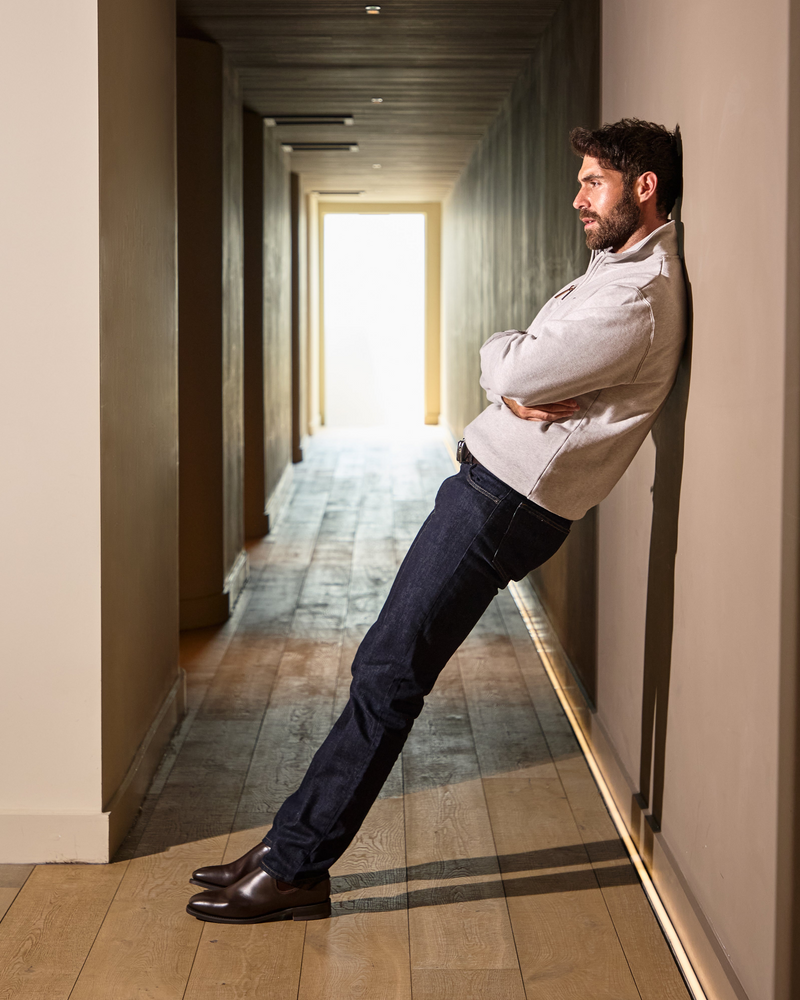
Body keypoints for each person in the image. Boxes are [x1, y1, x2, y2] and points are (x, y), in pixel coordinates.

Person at [185, 118, 687, 924]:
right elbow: (514, 366)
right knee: (384, 666)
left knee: (389, 673)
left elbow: (514, 364)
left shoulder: (635, 296)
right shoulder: (615, 269)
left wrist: (509, 371)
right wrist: (511, 372)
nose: (577, 198)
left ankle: (297, 866)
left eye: (594, 183)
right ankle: (286, 847)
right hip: (492, 490)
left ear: (645, 187)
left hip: (504, 503)